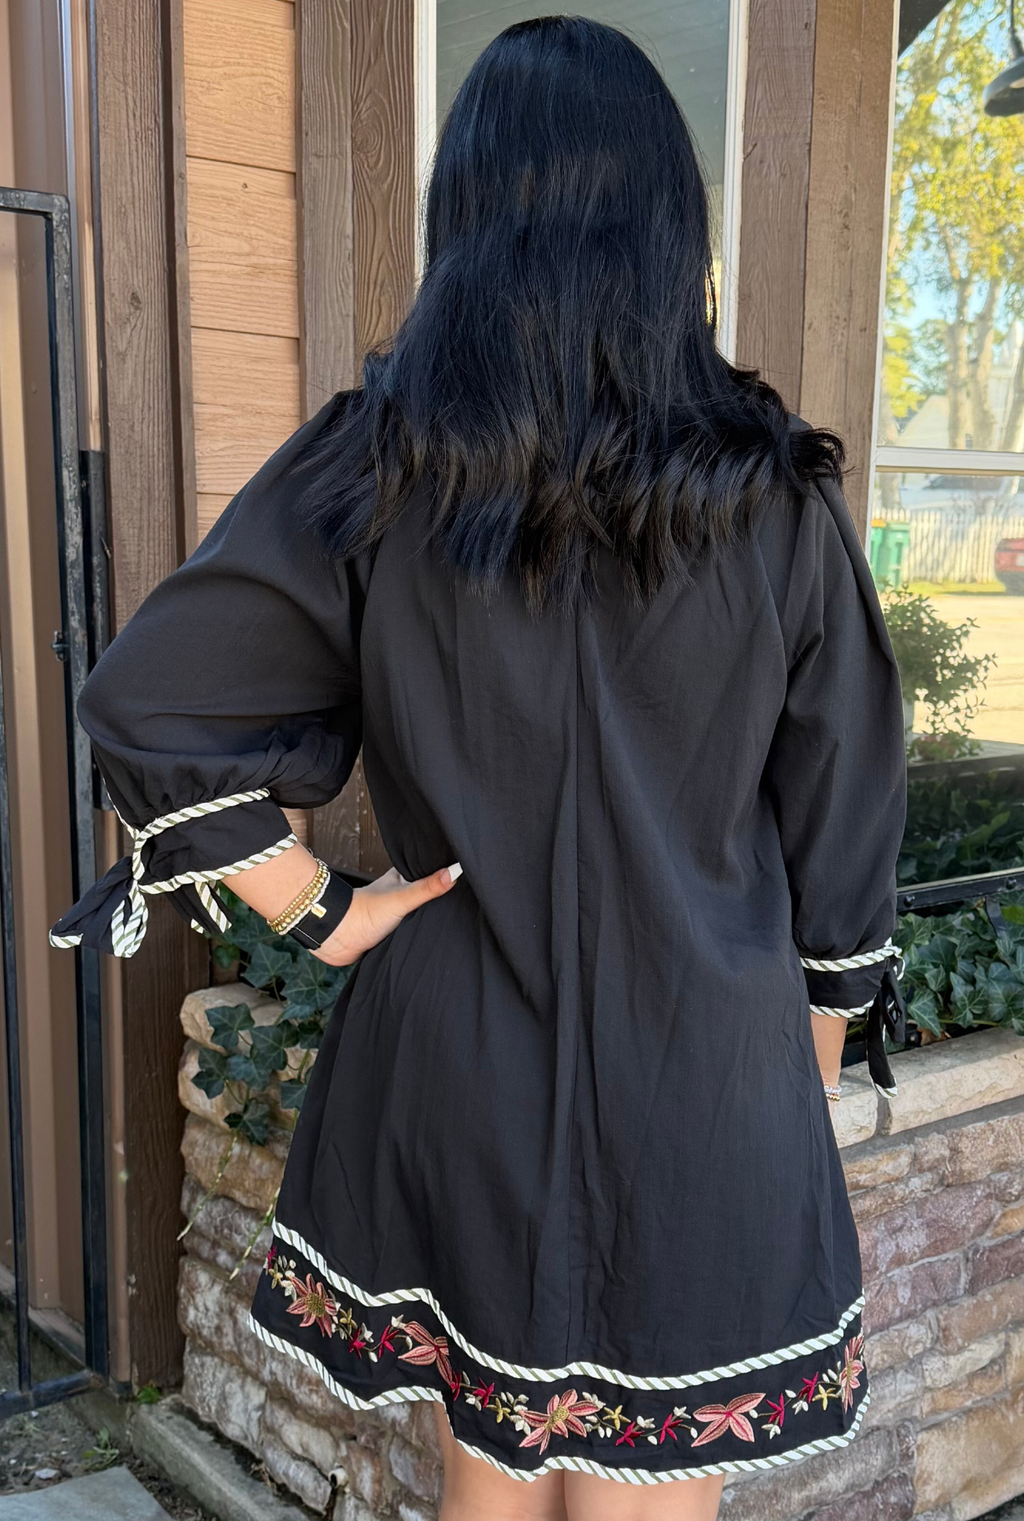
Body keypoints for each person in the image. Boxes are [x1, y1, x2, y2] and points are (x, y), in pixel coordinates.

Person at [52, 17, 907, 1520]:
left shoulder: (385, 464)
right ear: (668, 227)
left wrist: (322, 909)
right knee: (645, 1496)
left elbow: (151, 701)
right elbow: (844, 852)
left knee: (488, 1492)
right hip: (701, 1082)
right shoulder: (771, 499)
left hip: (458, 1060)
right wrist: (785, 1092)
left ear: (468, 220)